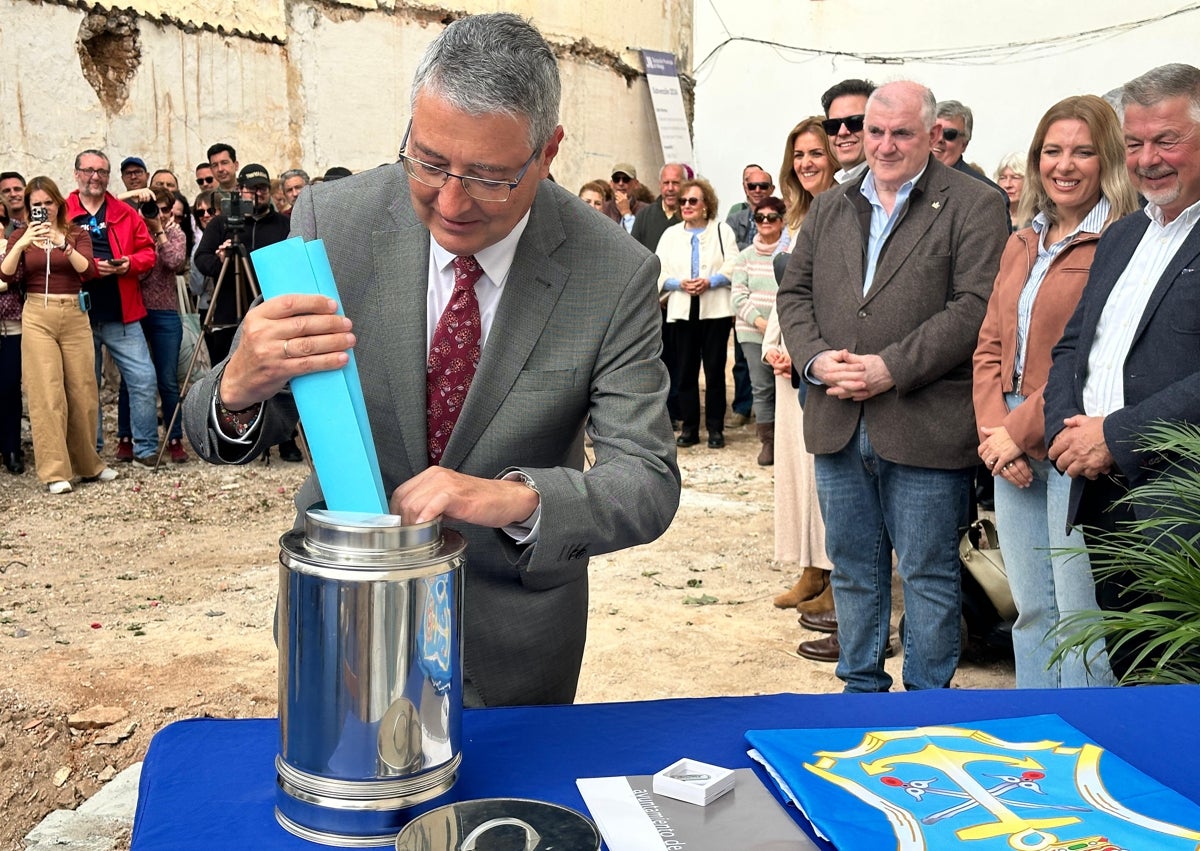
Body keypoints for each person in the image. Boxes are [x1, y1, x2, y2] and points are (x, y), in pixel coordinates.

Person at [182, 11, 680, 708]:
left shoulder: (612, 272)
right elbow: (219, 427)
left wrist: (511, 497)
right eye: (428, 161)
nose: (450, 201)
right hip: (343, 619)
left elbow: (647, 481)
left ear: (548, 151)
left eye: (489, 177)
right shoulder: (334, 222)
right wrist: (237, 389)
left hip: (514, 647)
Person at [777, 81, 1008, 692]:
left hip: (923, 419)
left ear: (932, 135)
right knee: (854, 569)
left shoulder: (974, 204)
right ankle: (860, 693)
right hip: (836, 416)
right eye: (873, 131)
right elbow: (795, 295)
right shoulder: (831, 205)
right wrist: (817, 359)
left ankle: (926, 704)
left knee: (930, 574)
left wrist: (890, 367)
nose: (883, 144)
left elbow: (975, 306)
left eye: (900, 132)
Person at [973, 95, 1138, 689]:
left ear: (1108, 161)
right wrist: (995, 433)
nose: (1064, 165)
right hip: (1008, 435)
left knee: (1078, 612)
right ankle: (1033, 729)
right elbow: (990, 343)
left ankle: (1084, 746)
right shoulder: (1022, 240)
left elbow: (1085, 358)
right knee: (1029, 608)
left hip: (1071, 434)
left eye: (1083, 152)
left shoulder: (1121, 243)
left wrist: (1015, 437)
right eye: (1052, 150)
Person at [1044, 63, 1200, 680]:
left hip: (1182, 504)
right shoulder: (1122, 235)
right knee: (1131, 677)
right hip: (1104, 496)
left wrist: (1114, 436)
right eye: (1134, 144)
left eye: (1167, 140)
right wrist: (1066, 434)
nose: (1148, 159)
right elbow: (1072, 348)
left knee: (1184, 685)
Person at [0, 177, 119, 493]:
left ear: (59, 204)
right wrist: (24, 242)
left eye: (48, 203)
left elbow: (88, 270)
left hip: (75, 314)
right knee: (46, 392)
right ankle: (55, 472)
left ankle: (88, 465)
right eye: (36, 205)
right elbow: (6, 274)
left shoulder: (76, 232)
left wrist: (60, 241)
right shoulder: (19, 235)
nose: (43, 209)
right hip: (38, 313)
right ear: (28, 208)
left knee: (82, 389)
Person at [65, 149, 159, 466]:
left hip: (123, 313)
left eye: (102, 172)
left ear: (108, 176)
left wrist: (127, 264)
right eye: (89, 170)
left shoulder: (124, 212)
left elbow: (148, 252)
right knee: (83, 386)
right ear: (77, 173)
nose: (95, 177)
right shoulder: (63, 212)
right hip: (77, 316)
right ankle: (90, 451)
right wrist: (87, 267)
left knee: (144, 380)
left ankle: (145, 448)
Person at [657, 178, 737, 450]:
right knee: (685, 372)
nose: (687, 205)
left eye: (693, 200)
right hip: (681, 308)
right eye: (683, 201)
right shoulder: (670, 235)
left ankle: (716, 428)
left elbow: (734, 264)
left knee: (715, 372)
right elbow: (659, 269)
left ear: (706, 205)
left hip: (715, 310)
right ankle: (690, 429)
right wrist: (678, 283)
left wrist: (710, 281)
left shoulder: (722, 231)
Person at [118, 187, 190, 463]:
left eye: (162, 209)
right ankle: (126, 437)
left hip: (165, 314)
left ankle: (174, 437)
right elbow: (139, 271)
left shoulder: (175, 234)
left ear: (171, 211)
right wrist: (136, 199)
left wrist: (158, 231)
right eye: (151, 209)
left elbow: (174, 262)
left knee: (168, 381)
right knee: (131, 379)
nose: (156, 214)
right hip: (134, 311)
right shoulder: (132, 233)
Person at [731, 196, 786, 465]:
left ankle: (788, 445)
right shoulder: (744, 257)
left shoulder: (789, 255)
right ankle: (769, 444)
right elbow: (738, 297)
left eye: (771, 217)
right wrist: (762, 324)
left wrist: (777, 327)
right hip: (752, 332)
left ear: (782, 221)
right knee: (762, 388)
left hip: (785, 331)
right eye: (760, 218)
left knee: (785, 388)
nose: (765, 222)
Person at [0, 171, 25, 473]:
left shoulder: (20, 233)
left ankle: (12, 449)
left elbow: (17, 274)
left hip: (12, 322)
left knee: (9, 387)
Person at [779, 117, 837, 248]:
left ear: (835, 157)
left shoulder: (844, 209)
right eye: (799, 155)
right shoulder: (801, 214)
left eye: (816, 154)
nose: (805, 164)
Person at [820, 79, 875, 184]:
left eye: (855, 122)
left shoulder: (891, 187)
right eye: (833, 125)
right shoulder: (832, 194)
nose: (842, 132)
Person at [726, 168, 775, 250]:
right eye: (752, 186)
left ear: (772, 189)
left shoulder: (783, 217)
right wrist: (760, 249)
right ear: (746, 189)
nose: (757, 190)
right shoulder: (734, 220)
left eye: (763, 186)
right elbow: (729, 247)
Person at [601, 163, 645, 230]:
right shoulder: (604, 208)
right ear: (611, 184)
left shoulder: (645, 210)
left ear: (636, 184)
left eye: (626, 179)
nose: (620, 183)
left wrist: (626, 212)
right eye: (616, 179)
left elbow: (639, 238)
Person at [994, 152, 1026, 228]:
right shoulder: (991, 218)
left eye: (1015, 177)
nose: (1007, 185)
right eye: (1002, 178)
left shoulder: (1041, 220)